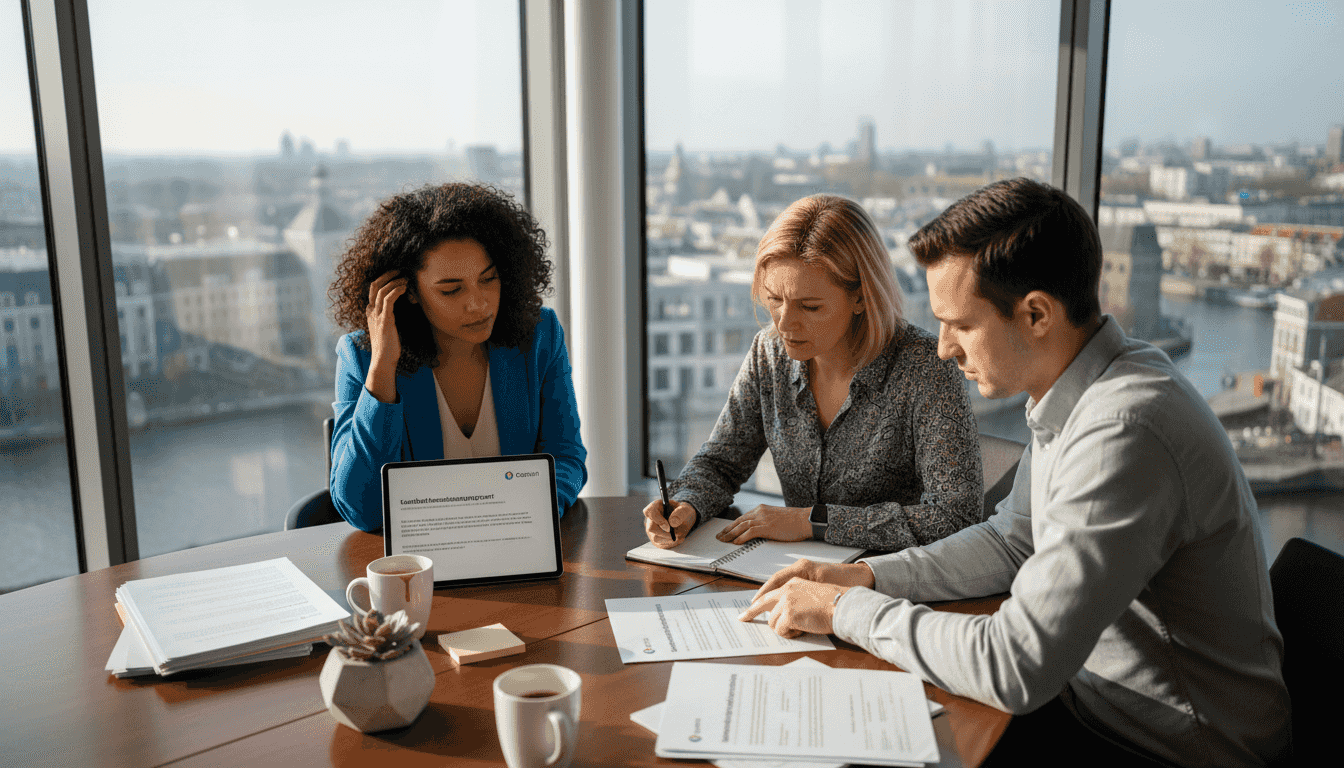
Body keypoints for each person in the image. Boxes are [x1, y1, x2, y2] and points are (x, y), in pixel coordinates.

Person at [740, 178, 1291, 766]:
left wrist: (842, 610)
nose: (944, 348)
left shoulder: (1124, 431)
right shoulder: (1084, 389)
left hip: (1166, 748)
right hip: (1090, 702)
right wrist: (868, 577)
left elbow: (1014, 665)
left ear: (1035, 314)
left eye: (961, 325)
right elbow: (1013, 540)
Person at [644, 194, 983, 553]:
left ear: (861, 297)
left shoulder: (926, 367)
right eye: (775, 299)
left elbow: (956, 517)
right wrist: (686, 505)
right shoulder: (769, 354)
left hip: (892, 577)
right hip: (795, 570)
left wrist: (813, 521)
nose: (785, 323)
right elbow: (721, 462)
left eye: (809, 306)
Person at [327, 183, 587, 532]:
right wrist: (383, 369)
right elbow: (362, 510)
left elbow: (566, 457)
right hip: (424, 558)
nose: (478, 304)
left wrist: (529, 514)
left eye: (489, 279)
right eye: (451, 290)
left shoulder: (540, 336)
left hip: (519, 542)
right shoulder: (362, 357)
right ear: (409, 292)